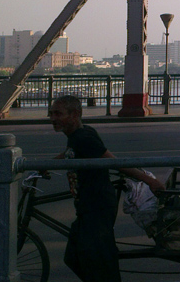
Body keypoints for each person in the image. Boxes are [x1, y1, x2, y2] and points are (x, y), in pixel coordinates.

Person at [48, 95, 164, 282]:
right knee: (74, 257)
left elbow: (114, 162)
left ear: (75, 114)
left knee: (100, 264)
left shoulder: (84, 137)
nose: (53, 118)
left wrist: (149, 181)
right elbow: (70, 153)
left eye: (58, 114)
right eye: (51, 114)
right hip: (86, 207)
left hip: (97, 207)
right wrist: (46, 165)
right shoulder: (78, 135)